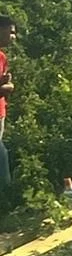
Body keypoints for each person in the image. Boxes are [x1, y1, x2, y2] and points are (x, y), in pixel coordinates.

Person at [0, 14, 16, 188]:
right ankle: (6, 195)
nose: (13, 37)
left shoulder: (2, 57)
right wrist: (7, 88)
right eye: (10, 32)